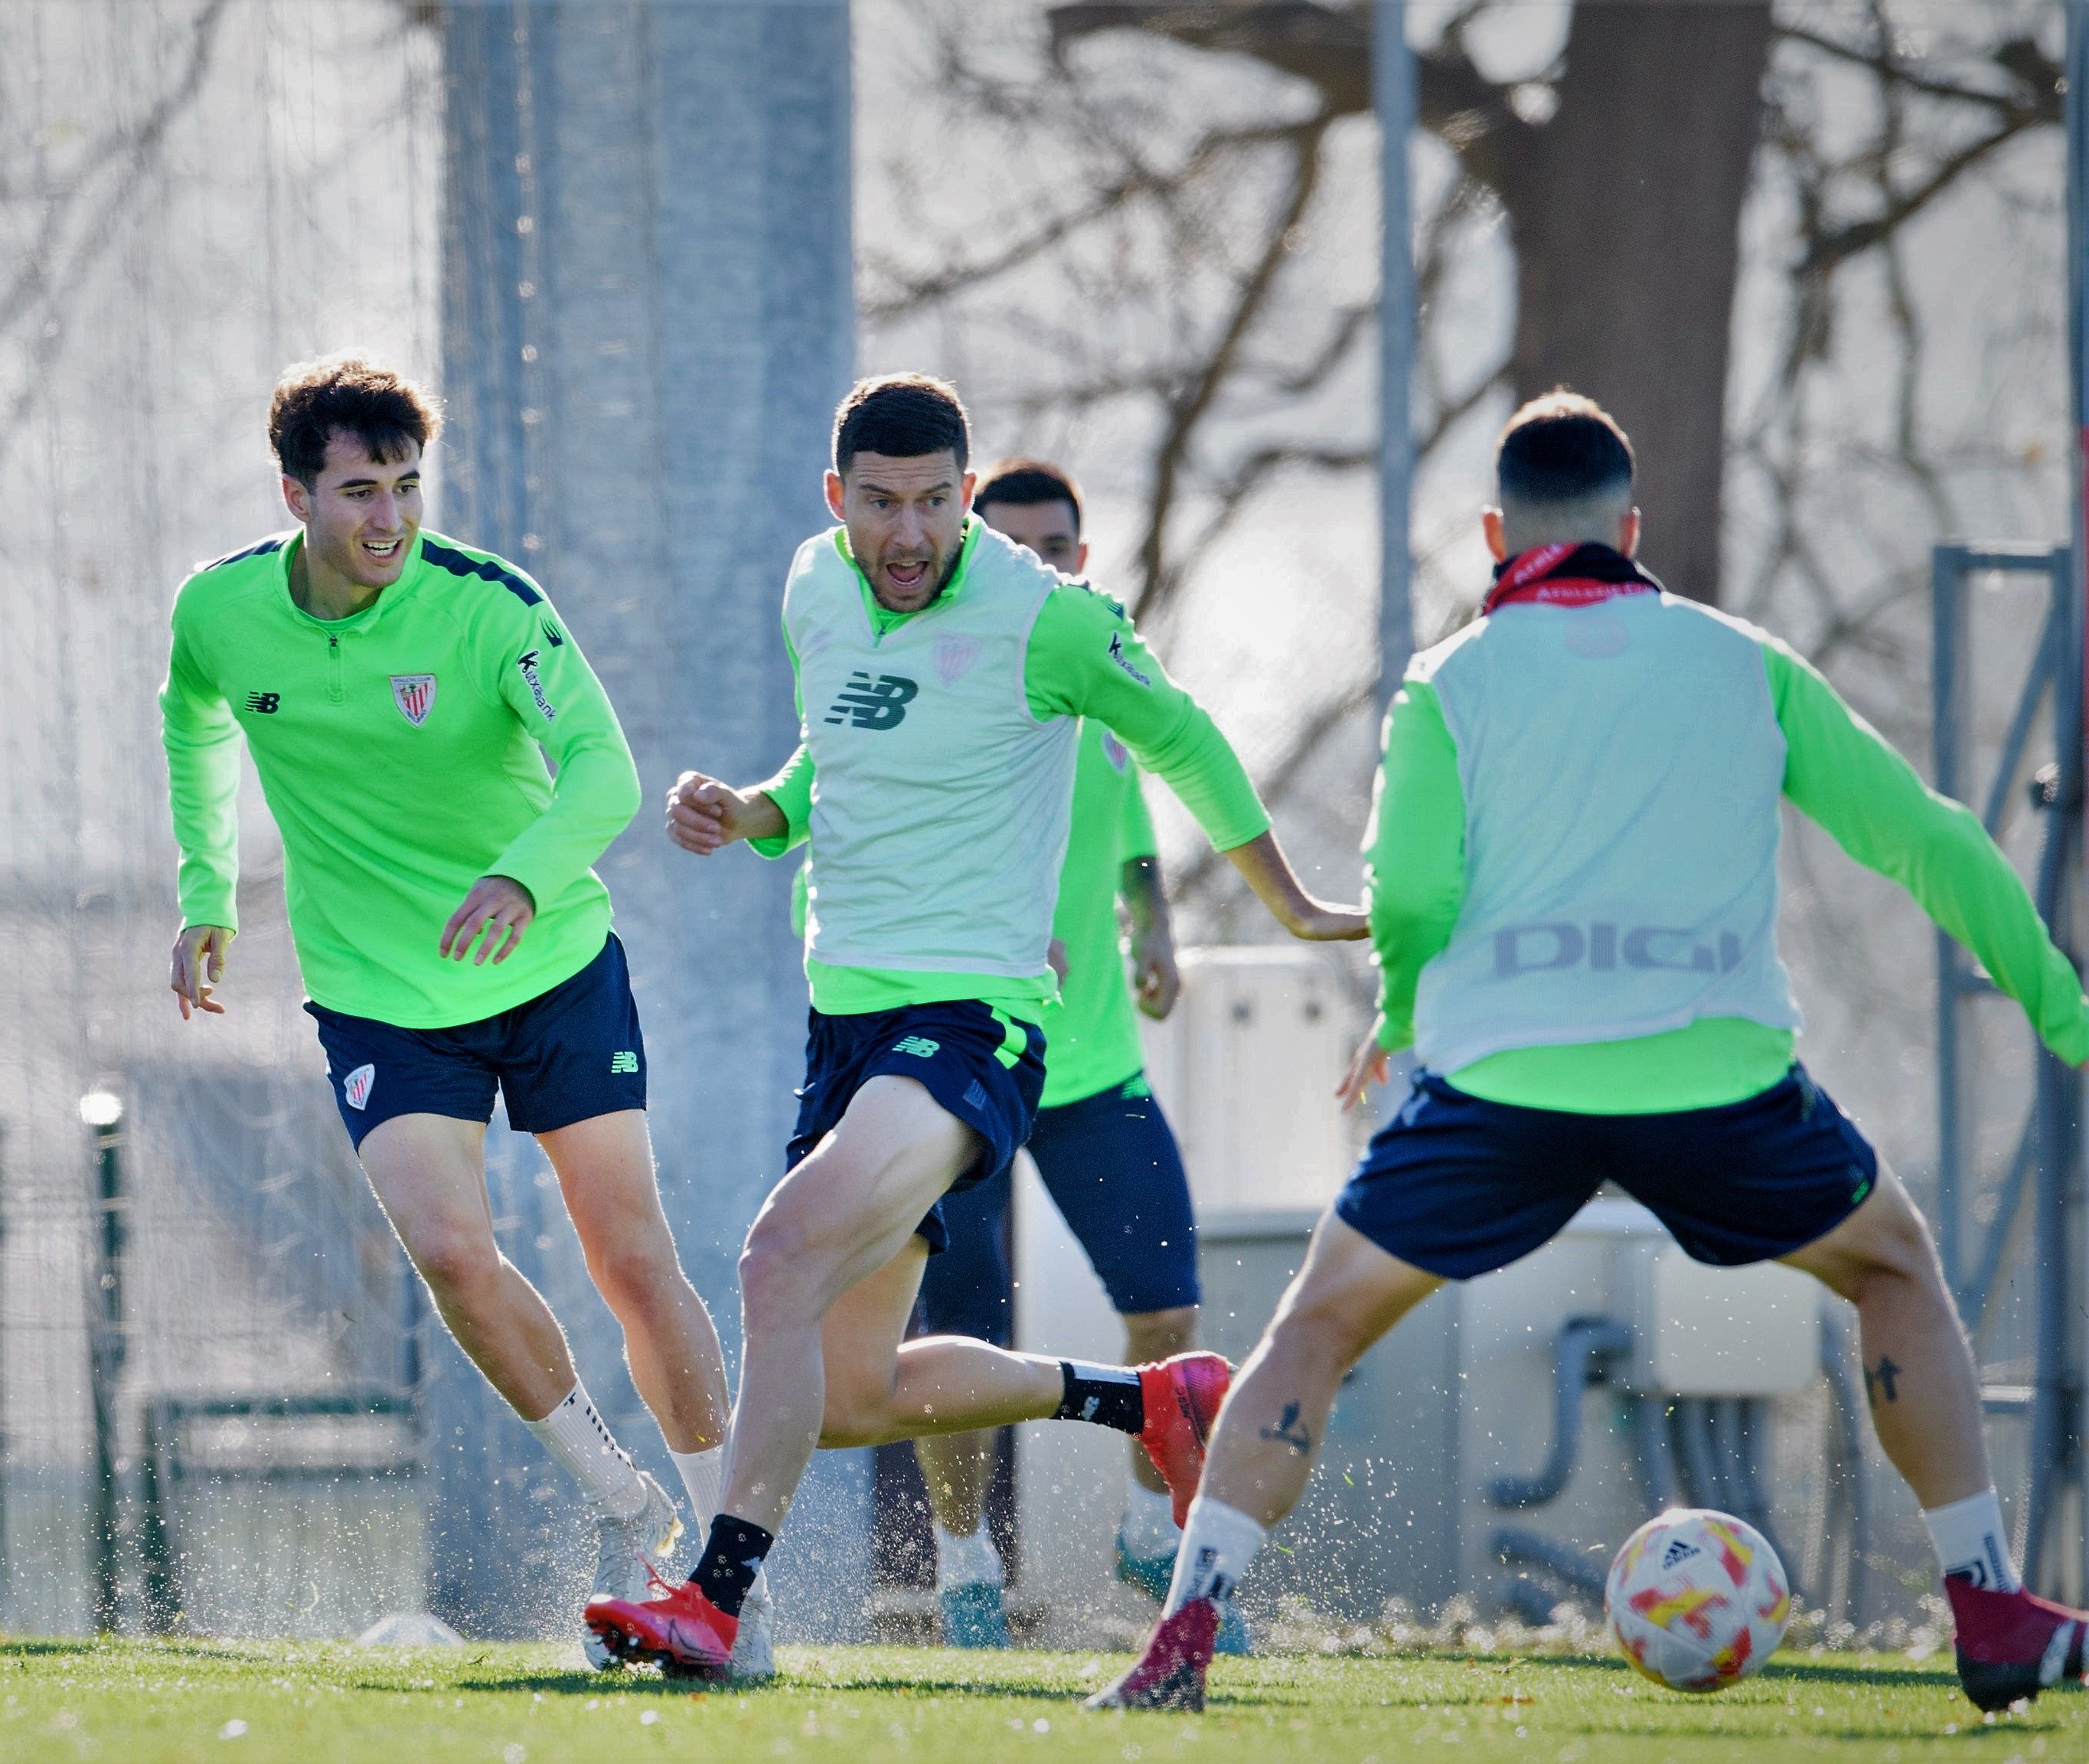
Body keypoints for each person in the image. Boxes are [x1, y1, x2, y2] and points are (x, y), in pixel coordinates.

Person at [1092, 391, 2089, 1713]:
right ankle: (1989, 1610)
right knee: (1893, 1269)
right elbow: (1933, 841)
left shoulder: (1451, 683)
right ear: (1633, 527)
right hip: (1717, 1086)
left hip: (1500, 1089)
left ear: (1496, 533)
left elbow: (1413, 900)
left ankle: (1184, 1639)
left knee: (1315, 1330)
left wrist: (1397, 1020)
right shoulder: (1744, 663)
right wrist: (2069, 1019)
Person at [589, 374, 1366, 1679]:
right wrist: (756, 814)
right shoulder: (813, 590)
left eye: (936, 504)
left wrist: (1287, 901)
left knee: (776, 1258)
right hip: (843, 1032)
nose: (909, 536)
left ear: (965, 494)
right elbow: (831, 758)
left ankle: (717, 1603)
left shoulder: (1045, 619)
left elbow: (1184, 739)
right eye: (881, 505)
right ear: (837, 501)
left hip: (969, 1026)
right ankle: (1144, 1400)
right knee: (849, 1397)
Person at [160, 354, 731, 1658]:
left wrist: (522, 877)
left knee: (629, 1257)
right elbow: (191, 720)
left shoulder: (487, 608)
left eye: (408, 487)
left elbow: (605, 770)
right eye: (361, 490)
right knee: (454, 1260)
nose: (390, 519)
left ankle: (720, 1559)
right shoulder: (220, 612)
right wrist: (207, 888)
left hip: (550, 968)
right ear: (296, 491)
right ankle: (622, 1501)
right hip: (375, 997)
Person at [903, 460, 1239, 1651]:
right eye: (1015, 545)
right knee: (965, 1329)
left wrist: (1153, 932)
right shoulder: (943, 685)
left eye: (1057, 545)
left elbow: (1134, 836)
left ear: (1082, 559)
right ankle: (963, 1568)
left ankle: (1151, 1544)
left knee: (1172, 1316)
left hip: (1095, 1070)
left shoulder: (1099, 686)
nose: (1038, 565)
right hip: (979, 1063)